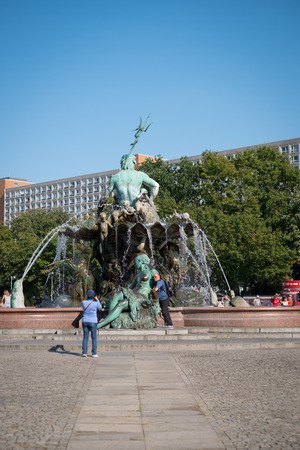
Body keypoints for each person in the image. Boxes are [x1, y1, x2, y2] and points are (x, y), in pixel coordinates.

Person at [98, 254, 157, 328]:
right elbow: (130, 287)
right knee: (116, 295)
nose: (135, 264)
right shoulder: (138, 274)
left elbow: (159, 281)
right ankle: (111, 321)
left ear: (141, 261)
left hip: (142, 297)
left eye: (136, 262)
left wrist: (156, 291)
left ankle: (103, 323)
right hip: (134, 293)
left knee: (121, 304)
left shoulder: (152, 271)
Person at [82, 289, 102, 358]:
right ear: (93, 296)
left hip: (85, 321)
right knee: (94, 338)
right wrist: (97, 300)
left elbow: (84, 309)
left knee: (85, 337)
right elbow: (100, 308)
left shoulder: (83, 302)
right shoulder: (95, 303)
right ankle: (94, 353)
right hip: (93, 321)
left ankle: (84, 353)